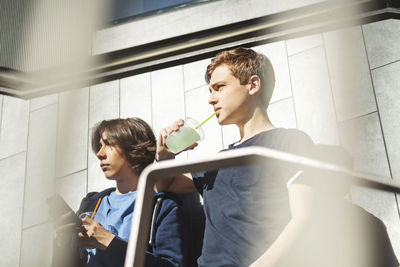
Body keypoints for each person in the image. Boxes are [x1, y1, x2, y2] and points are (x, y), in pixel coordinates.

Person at [156, 47, 399, 266]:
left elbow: (305, 216)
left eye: (220, 87)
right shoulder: (218, 162)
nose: (211, 98)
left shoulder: (287, 141)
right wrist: (165, 156)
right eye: (210, 90)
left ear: (253, 85)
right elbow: (165, 185)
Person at [51, 117, 189, 267]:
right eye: (99, 146)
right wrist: (62, 244)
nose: (99, 153)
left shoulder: (162, 206)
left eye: (109, 144)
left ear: (138, 150)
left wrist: (108, 241)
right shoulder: (92, 203)